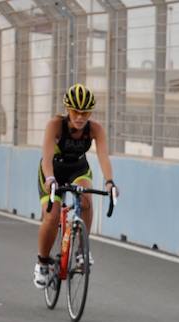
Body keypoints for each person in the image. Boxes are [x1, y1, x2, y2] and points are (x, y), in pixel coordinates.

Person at [33, 83, 118, 288]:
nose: (80, 117)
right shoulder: (55, 125)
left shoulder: (95, 129)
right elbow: (46, 158)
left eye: (85, 112)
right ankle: (42, 262)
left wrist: (109, 182)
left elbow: (103, 156)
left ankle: (81, 252)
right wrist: (50, 179)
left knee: (86, 200)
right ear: (67, 110)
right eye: (76, 111)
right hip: (53, 169)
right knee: (52, 216)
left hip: (78, 169)